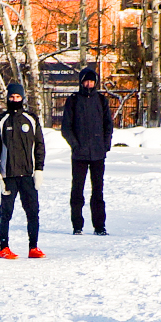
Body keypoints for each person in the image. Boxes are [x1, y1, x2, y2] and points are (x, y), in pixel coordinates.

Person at [0, 81, 47, 260]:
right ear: (7, 98)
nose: (15, 100)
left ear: (23, 98)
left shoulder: (31, 119)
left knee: (33, 211)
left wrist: (39, 170)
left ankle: (33, 247)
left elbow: (39, 146)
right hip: (8, 175)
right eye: (12, 97)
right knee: (6, 212)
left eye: (18, 97)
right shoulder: (1, 121)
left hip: (28, 175)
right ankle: (4, 247)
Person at [61, 67, 114, 235]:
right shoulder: (73, 101)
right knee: (77, 190)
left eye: (92, 81)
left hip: (98, 154)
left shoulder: (101, 100)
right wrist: (76, 145)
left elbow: (108, 125)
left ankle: (99, 226)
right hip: (79, 155)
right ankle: (77, 225)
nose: (89, 84)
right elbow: (66, 128)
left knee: (98, 191)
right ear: (81, 81)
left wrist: (105, 144)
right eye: (86, 80)